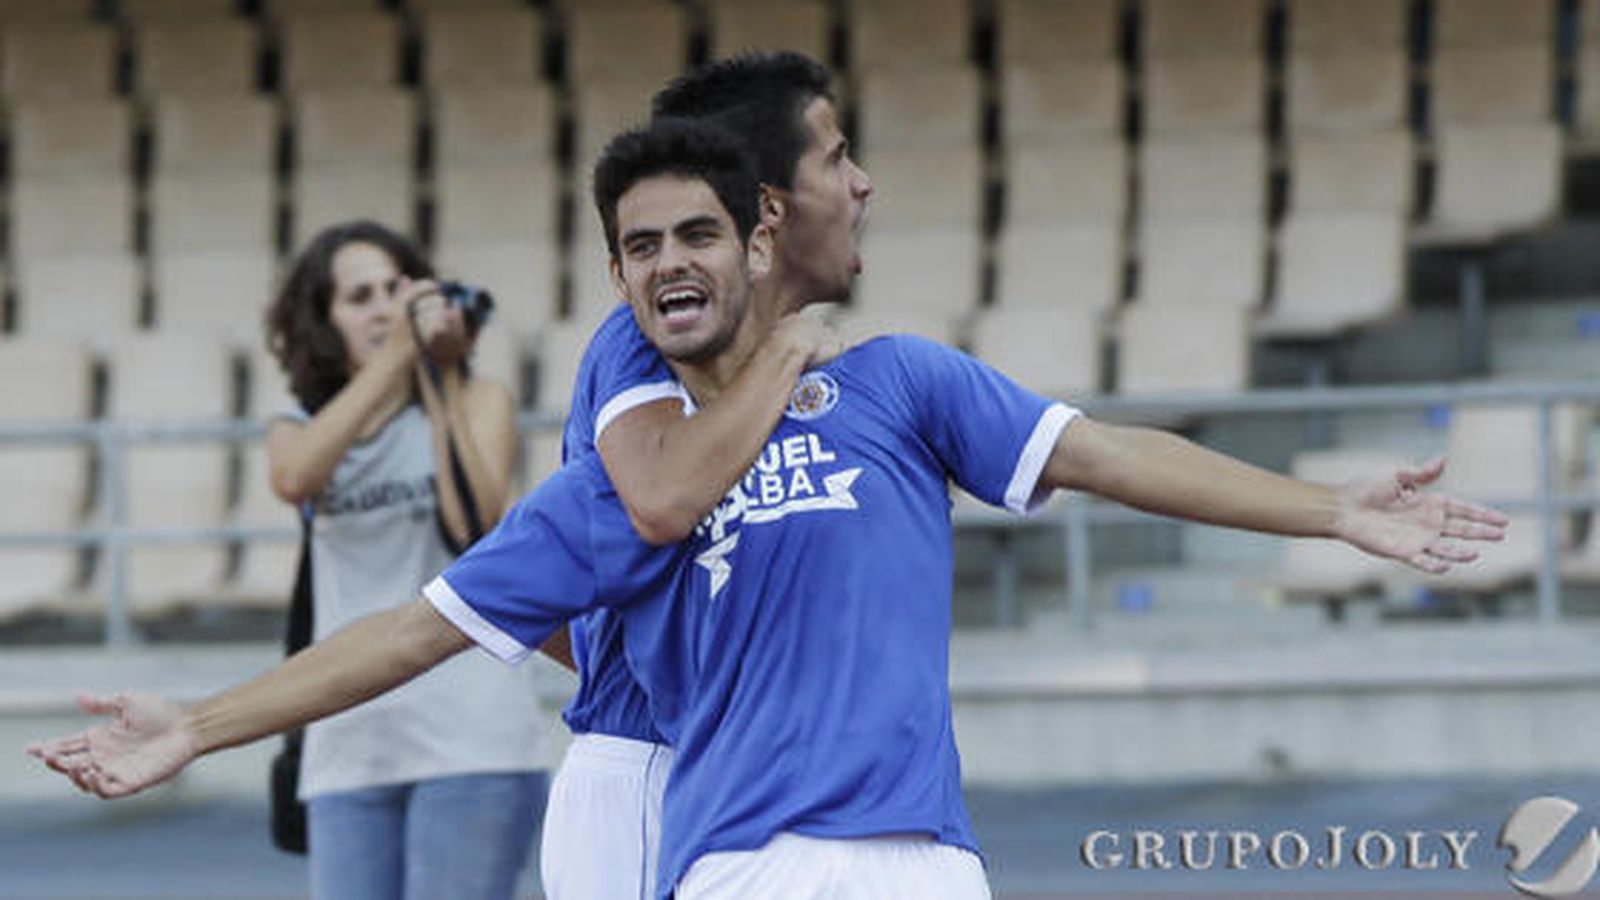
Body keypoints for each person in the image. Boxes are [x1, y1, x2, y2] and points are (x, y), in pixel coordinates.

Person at [30, 123, 1507, 899]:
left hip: (928, 852)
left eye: (695, 234)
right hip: (733, 852)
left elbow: (1108, 456)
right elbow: (408, 632)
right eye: (636, 247)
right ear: (616, 281)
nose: (667, 263)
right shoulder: (617, 470)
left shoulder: (900, 383)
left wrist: (1329, 510)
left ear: (756, 239)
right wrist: (201, 725)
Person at [537, 51, 866, 900]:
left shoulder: (787, 360)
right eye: (836, 157)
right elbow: (658, 500)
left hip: (749, 780)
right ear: (768, 203)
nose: (862, 184)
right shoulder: (644, 340)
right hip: (651, 773)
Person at [257, 221, 557, 900]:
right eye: (360, 295)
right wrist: (397, 358)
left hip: (473, 736)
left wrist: (441, 377)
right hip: (348, 741)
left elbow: (477, 528)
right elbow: (295, 478)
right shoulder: (298, 418)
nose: (384, 306)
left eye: (397, 288)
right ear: (325, 320)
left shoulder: (478, 399)